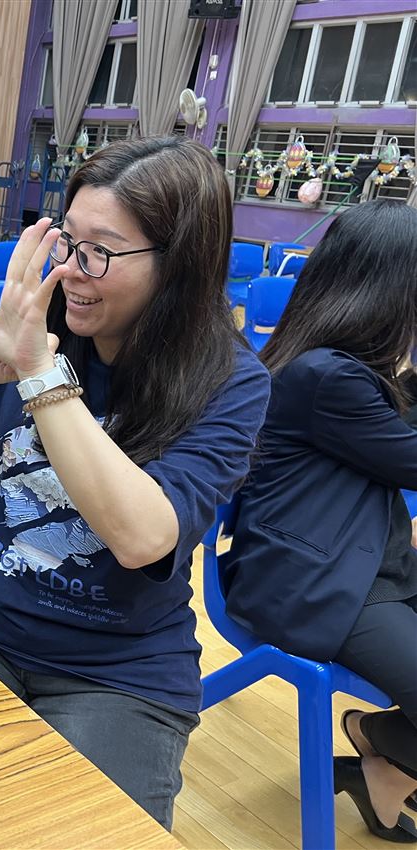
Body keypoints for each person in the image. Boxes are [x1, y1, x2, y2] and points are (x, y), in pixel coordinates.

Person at [0, 136, 271, 829]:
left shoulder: (229, 382)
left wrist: (40, 375)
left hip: (117, 665)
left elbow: (142, 537)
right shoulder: (41, 319)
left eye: (100, 252)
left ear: (178, 263)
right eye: (68, 241)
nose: (72, 270)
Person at [222, 199, 417, 842]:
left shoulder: (351, 367)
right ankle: (378, 738)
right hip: (312, 580)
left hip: (368, 562)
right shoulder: (326, 376)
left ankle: (382, 759)